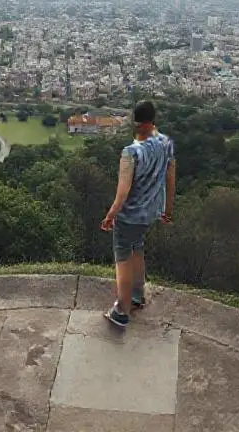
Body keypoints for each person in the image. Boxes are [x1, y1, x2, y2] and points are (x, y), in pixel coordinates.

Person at [100, 100, 176, 327]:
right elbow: (170, 179)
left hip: (130, 214)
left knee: (122, 258)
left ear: (138, 123)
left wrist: (110, 215)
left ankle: (122, 311)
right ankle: (136, 296)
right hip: (150, 212)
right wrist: (168, 210)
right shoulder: (166, 144)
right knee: (137, 250)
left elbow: (122, 192)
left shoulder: (131, 153)